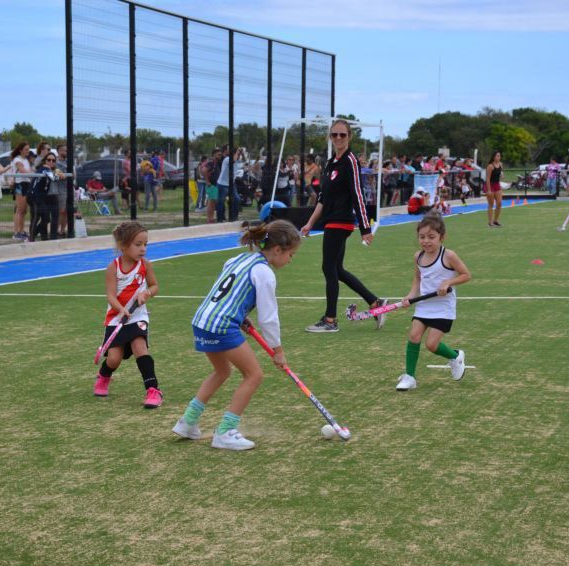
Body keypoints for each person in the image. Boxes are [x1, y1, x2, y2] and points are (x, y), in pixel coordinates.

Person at [172, 220, 301, 450]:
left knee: (222, 371)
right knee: (254, 375)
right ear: (278, 250)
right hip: (221, 326)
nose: (291, 260)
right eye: (291, 254)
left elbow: (228, 294)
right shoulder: (264, 273)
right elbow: (268, 317)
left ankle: (187, 423)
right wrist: (278, 350)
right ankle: (225, 432)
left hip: (202, 321)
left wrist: (240, 316)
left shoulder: (237, 259)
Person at [301, 119, 385, 333]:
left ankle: (330, 320)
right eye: (334, 135)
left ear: (349, 137)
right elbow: (322, 197)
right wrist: (310, 223)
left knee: (328, 268)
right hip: (330, 220)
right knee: (337, 270)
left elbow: (358, 194)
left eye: (342, 135)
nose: (338, 138)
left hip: (341, 221)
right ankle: (375, 303)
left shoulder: (351, 161)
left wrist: (365, 228)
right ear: (330, 137)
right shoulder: (330, 163)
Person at [395, 213, 471, 391]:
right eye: (422, 237)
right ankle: (410, 377)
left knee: (431, 345)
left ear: (441, 237)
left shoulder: (449, 256)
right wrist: (409, 297)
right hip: (424, 305)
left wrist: (448, 282)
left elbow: (466, 275)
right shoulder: (418, 257)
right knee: (413, 336)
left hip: (443, 307)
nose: (426, 241)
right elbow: (418, 281)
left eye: (431, 237)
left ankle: (455, 356)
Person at [93, 221, 162, 409]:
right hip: (116, 318)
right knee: (114, 358)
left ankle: (153, 390)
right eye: (138, 244)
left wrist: (146, 293)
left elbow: (155, 286)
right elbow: (110, 295)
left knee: (140, 347)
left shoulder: (145, 265)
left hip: (138, 316)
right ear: (123, 246)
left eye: (145, 244)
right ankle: (104, 375)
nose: (143, 249)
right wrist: (121, 309)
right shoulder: (112, 267)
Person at [29, 151, 65, 241]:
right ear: (45, 161)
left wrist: (60, 174)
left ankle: (53, 238)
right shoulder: (43, 169)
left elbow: (61, 176)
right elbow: (54, 178)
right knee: (41, 218)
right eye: (49, 160)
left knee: (53, 219)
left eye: (53, 160)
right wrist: (60, 176)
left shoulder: (56, 169)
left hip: (54, 196)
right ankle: (35, 237)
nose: (51, 162)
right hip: (41, 197)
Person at [10, 142, 33, 241]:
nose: (28, 151)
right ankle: (16, 232)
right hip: (20, 184)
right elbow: (22, 170)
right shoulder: (17, 159)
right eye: (26, 149)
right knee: (19, 209)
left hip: (27, 184)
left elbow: (29, 170)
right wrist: (32, 174)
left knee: (24, 210)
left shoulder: (26, 160)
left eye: (28, 149)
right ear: (20, 150)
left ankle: (22, 230)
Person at [485, 150, 503, 227]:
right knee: (491, 204)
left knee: (499, 203)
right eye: (497, 156)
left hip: (497, 185)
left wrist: (502, 175)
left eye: (499, 156)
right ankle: (490, 222)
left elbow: (501, 172)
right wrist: (488, 190)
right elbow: (487, 179)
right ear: (494, 157)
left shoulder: (501, 164)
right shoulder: (490, 166)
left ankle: (495, 220)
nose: (499, 157)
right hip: (490, 185)